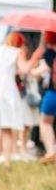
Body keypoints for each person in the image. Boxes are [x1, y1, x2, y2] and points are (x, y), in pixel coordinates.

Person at [0, 32, 42, 167]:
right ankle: (7, 161)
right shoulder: (16, 52)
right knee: (7, 127)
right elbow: (24, 69)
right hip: (8, 93)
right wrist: (35, 57)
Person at [39, 31, 56, 164]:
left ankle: (51, 152)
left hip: (52, 93)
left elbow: (41, 72)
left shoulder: (48, 53)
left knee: (45, 122)